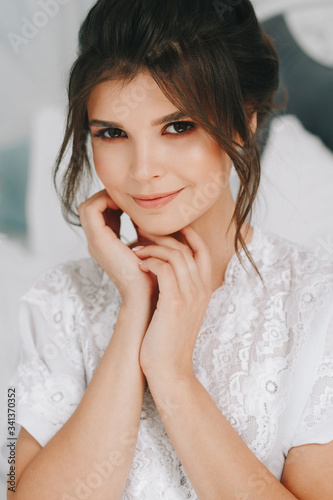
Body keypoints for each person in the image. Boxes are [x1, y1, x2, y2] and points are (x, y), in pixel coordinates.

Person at [9, 0, 333, 498]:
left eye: (178, 126)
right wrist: (133, 313)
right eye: (112, 133)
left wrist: (171, 373)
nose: (142, 170)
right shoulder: (61, 301)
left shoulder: (319, 306)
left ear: (245, 121)